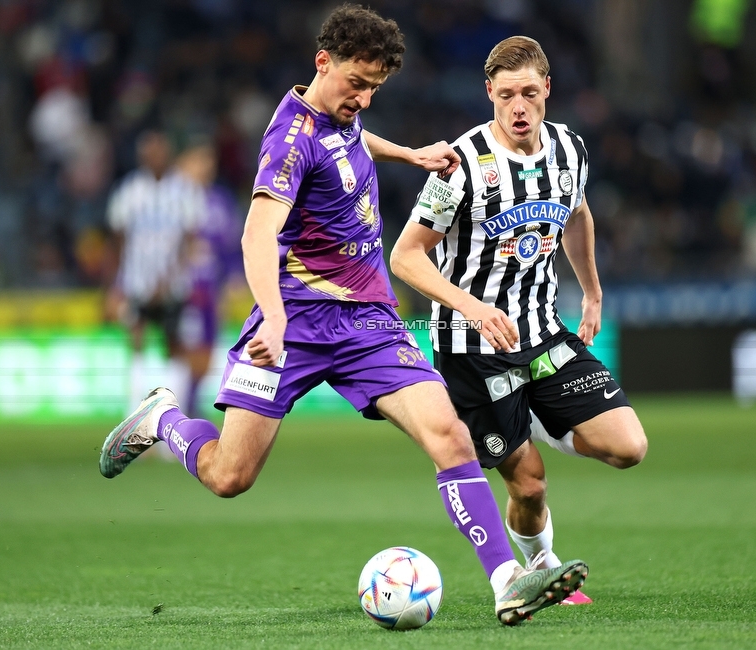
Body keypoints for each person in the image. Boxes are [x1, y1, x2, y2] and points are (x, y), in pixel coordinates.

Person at [99, 5, 586, 625]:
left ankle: (507, 580)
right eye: (356, 83)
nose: (363, 97)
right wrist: (272, 318)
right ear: (322, 62)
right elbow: (257, 236)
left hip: (369, 322)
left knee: (450, 435)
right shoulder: (288, 141)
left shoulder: (338, 113)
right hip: (294, 325)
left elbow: (351, 137)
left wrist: (408, 155)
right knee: (229, 476)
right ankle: (163, 417)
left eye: (374, 87)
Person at [390, 36, 648, 604]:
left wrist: (593, 290)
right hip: (472, 348)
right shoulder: (461, 166)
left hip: (543, 334)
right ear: (489, 93)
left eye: (530, 93)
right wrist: (472, 306)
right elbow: (405, 255)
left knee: (629, 446)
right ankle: (544, 565)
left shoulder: (570, 150)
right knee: (528, 485)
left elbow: (578, 215)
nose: (519, 107)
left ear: (547, 89)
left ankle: (539, 418)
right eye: (506, 95)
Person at [106, 130, 205, 410]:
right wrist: (116, 285)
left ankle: (173, 414)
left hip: (173, 286)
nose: (154, 157)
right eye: (149, 151)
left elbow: (190, 241)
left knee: (174, 346)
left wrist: (169, 277)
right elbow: (118, 241)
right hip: (137, 283)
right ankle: (135, 413)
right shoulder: (130, 191)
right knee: (136, 341)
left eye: (159, 150)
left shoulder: (185, 191)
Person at [176, 142, 245, 417]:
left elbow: (231, 246)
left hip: (210, 289)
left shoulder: (220, 201)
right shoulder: (172, 200)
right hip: (182, 290)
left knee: (205, 353)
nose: (205, 167)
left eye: (208, 162)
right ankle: (179, 406)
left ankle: (188, 403)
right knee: (183, 351)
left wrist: (232, 279)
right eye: (197, 161)